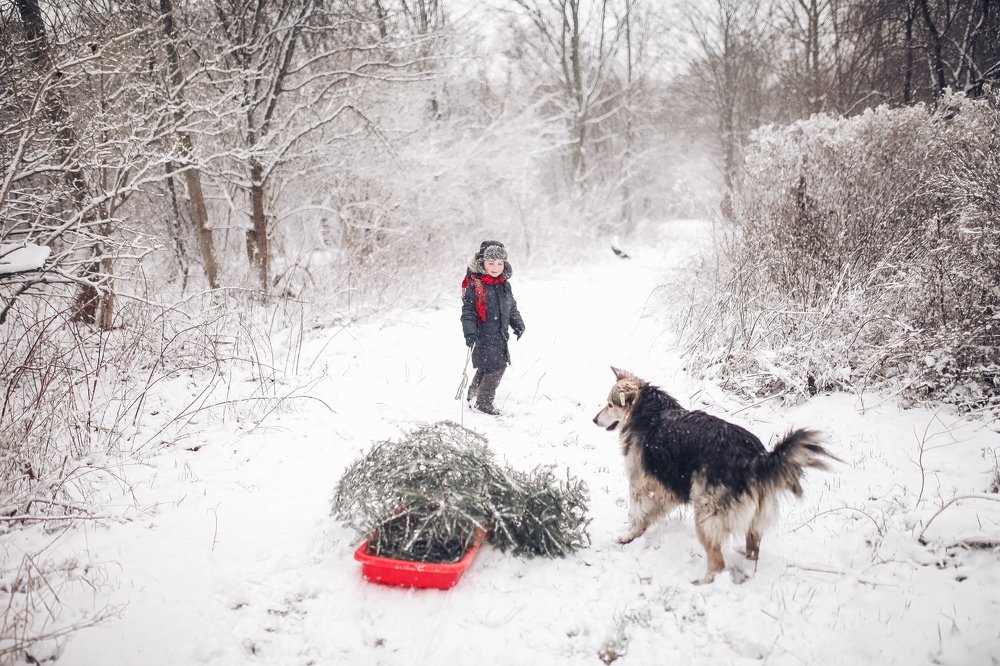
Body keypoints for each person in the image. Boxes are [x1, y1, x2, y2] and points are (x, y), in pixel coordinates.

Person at [460, 240, 525, 415]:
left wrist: (518, 323)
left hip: (500, 335)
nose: (496, 267)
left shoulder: (503, 284)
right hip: (483, 335)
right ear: (482, 263)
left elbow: (511, 306)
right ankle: (484, 403)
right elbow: (468, 312)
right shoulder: (476, 285)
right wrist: (470, 332)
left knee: (487, 367)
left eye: (499, 263)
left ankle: (473, 396)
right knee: (496, 368)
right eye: (491, 263)